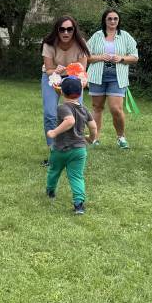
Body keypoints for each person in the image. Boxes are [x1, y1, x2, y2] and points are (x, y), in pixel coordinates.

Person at [86, 8, 139, 149]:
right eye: (109, 18)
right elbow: (86, 56)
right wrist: (100, 57)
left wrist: (121, 58)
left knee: (116, 109)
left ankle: (121, 137)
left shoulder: (125, 36)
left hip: (117, 77)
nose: (112, 21)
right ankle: (95, 138)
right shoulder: (97, 36)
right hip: (97, 76)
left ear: (119, 20)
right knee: (97, 107)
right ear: (105, 20)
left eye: (115, 18)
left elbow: (135, 57)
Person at [46, 76, 98, 215]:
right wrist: (91, 138)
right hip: (79, 150)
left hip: (60, 150)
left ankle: (50, 191)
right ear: (80, 93)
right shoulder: (84, 109)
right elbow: (93, 127)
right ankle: (79, 204)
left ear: (62, 92)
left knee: (54, 171)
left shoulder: (62, 107)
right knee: (76, 176)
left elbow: (70, 121)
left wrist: (54, 132)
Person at [41, 16, 90, 161]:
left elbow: (82, 71)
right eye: (62, 29)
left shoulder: (81, 44)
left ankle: (74, 149)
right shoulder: (49, 44)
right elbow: (48, 69)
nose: (66, 32)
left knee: (76, 114)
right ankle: (54, 151)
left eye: (69, 29)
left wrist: (82, 81)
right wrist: (56, 71)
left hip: (73, 78)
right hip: (52, 76)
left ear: (74, 30)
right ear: (57, 30)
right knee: (50, 114)